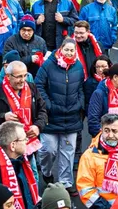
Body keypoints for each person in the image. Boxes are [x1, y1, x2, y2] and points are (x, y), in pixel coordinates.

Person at [33, 39, 86, 188]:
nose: (69, 53)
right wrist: (48, 105)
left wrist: (79, 103)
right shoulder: (48, 65)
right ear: (61, 49)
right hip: (51, 117)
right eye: (66, 49)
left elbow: (81, 87)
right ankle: (46, 171)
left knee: (67, 153)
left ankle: (66, 183)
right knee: (48, 150)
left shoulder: (78, 66)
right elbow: (38, 85)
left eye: (72, 50)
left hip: (72, 118)